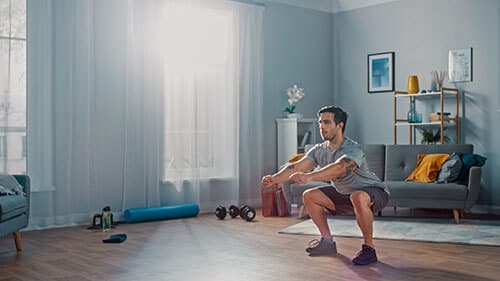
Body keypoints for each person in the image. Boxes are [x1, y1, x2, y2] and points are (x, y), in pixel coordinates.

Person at [261, 105, 390, 265]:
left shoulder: (352, 148)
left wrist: (308, 177)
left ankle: (369, 249)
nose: (322, 126)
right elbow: (296, 166)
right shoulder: (319, 150)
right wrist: (274, 179)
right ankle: (327, 242)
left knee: (357, 195)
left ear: (340, 125)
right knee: (309, 195)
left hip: (373, 191)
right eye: (320, 122)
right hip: (344, 193)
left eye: (327, 122)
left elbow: (340, 168)